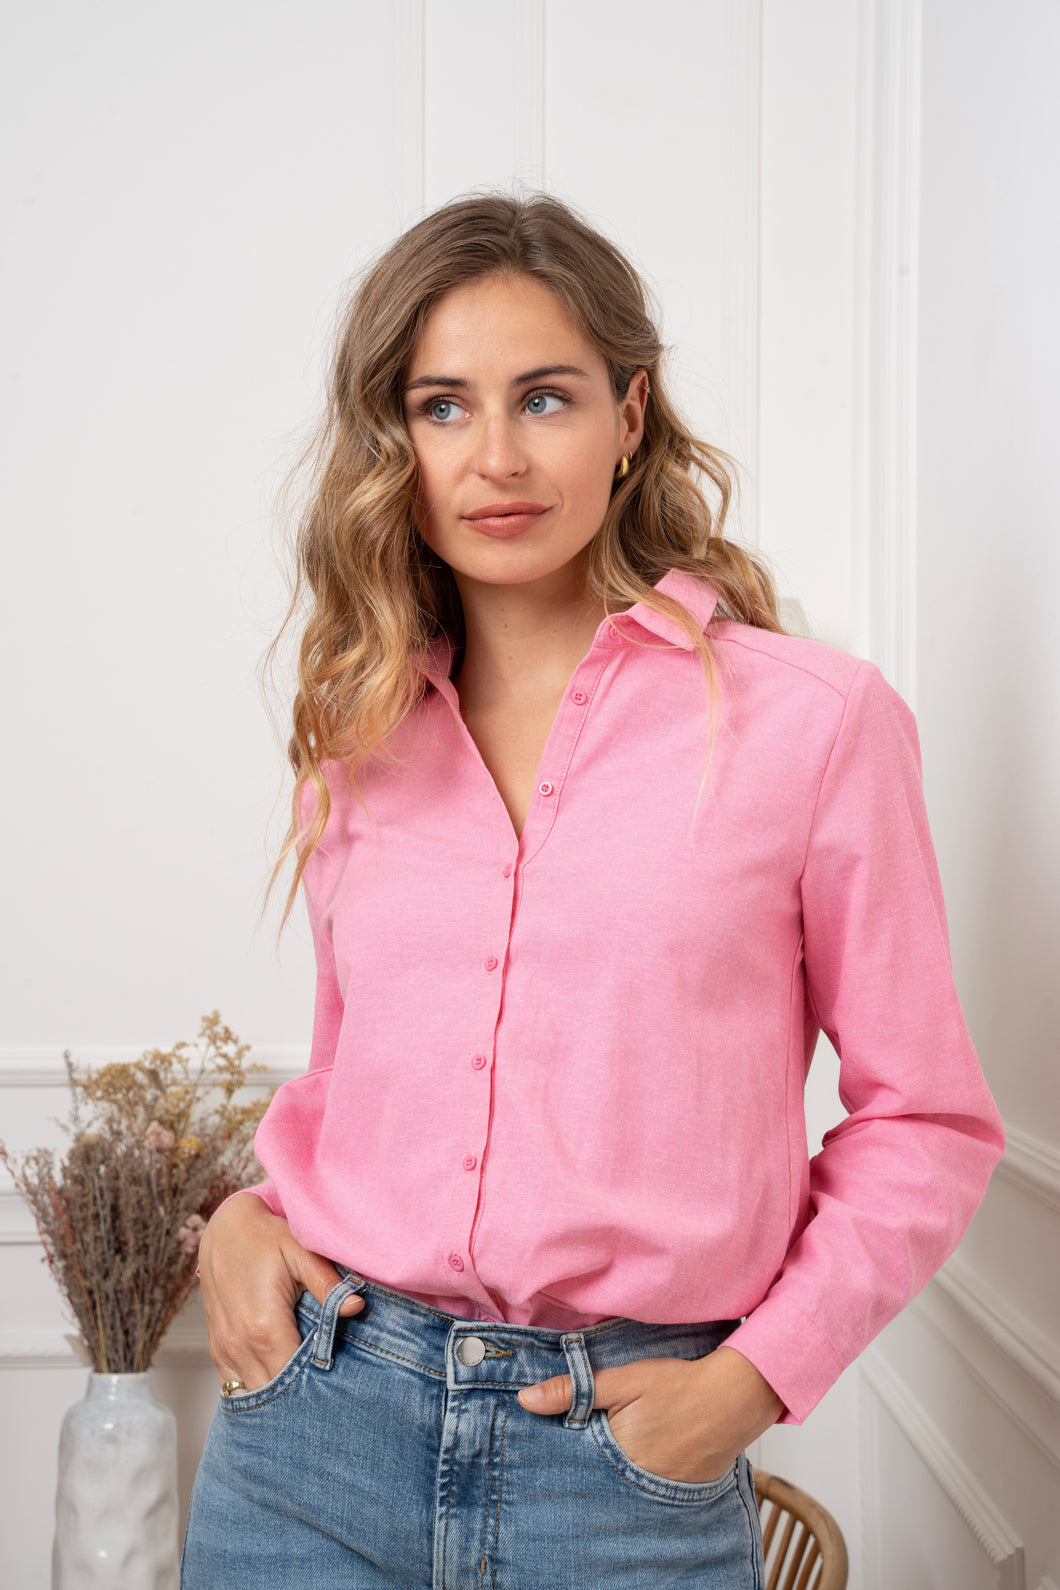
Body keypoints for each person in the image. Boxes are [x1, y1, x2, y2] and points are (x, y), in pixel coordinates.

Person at [181, 192, 1005, 1588]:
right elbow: (356, 1078)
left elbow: (926, 1119)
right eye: (443, 407)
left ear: (630, 415)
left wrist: (748, 1383)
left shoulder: (814, 726)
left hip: (622, 1476)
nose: (496, 457)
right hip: (313, 1441)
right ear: (393, 442)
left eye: (545, 398)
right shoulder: (358, 729)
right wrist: (243, 1216)